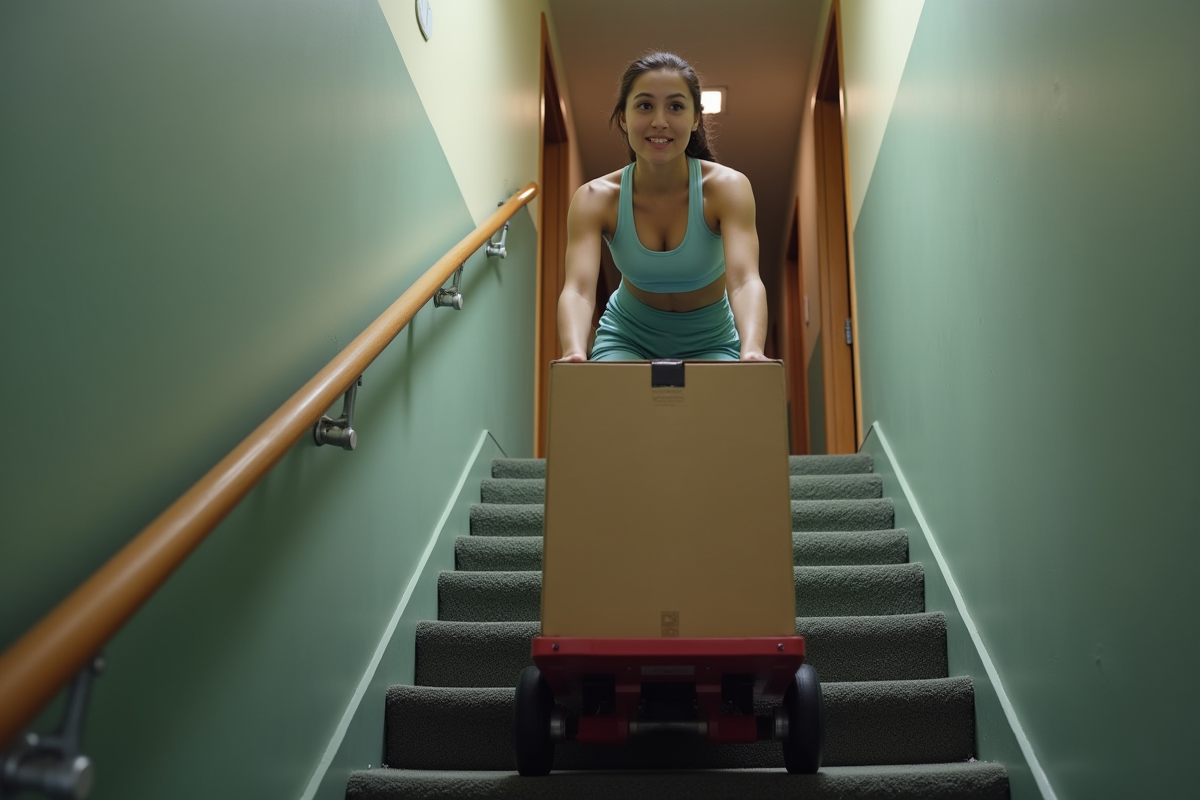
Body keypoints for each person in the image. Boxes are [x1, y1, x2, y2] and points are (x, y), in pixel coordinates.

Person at [557, 51, 769, 363]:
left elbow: (745, 280)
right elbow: (578, 288)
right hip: (626, 336)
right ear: (623, 117)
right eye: (645, 106)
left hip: (712, 339)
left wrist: (752, 349)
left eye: (675, 107)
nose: (659, 121)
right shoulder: (595, 198)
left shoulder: (728, 189)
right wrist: (573, 351)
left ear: (696, 117)